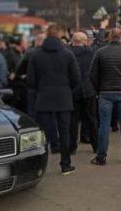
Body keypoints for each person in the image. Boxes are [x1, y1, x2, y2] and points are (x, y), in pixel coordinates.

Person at [28, 25, 80, 175]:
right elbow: (76, 78)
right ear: (60, 36)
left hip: (44, 97)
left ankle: (40, 165)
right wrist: (66, 88)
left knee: (42, 133)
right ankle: (65, 164)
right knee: (65, 132)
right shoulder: (68, 54)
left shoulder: (36, 55)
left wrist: (41, 88)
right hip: (63, 97)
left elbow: (31, 80)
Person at [89, 28, 121, 165]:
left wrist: (98, 87)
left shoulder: (100, 52)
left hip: (105, 92)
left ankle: (101, 156)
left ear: (110, 37)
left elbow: (92, 74)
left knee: (104, 125)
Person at [70, 31, 98, 154]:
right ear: (84, 41)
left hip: (73, 90)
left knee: (73, 120)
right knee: (92, 119)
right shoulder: (91, 53)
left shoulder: (68, 53)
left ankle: (72, 147)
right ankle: (96, 146)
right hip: (88, 89)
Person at [15, 33, 46, 120]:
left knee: (33, 113)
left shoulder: (30, 53)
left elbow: (19, 68)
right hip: (47, 87)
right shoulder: (51, 53)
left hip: (31, 86)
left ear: (36, 41)